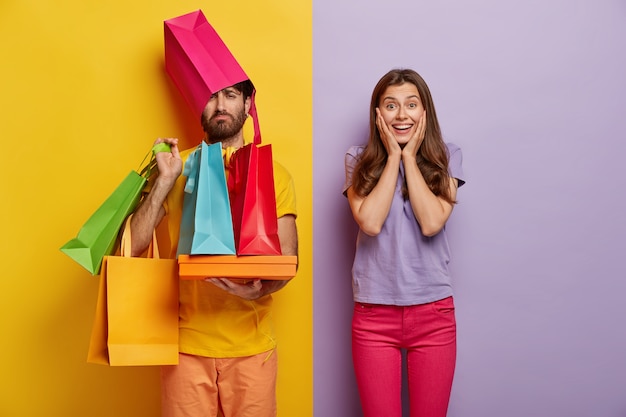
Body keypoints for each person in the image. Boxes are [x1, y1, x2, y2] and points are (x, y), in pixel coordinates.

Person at [130, 79, 298, 417]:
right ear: (198, 104)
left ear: (248, 105)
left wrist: (255, 291)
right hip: (184, 347)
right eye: (210, 96)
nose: (220, 105)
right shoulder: (176, 167)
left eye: (231, 95)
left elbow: (289, 263)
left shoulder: (274, 174)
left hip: (252, 348)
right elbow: (133, 245)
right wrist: (164, 182)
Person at [343, 68, 465, 417]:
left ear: (424, 111)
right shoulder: (357, 159)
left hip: (434, 314)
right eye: (391, 105)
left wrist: (410, 157)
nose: (401, 115)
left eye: (411, 104)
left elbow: (431, 223)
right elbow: (370, 222)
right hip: (372, 315)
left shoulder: (447, 155)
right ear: (377, 113)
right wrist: (393, 157)